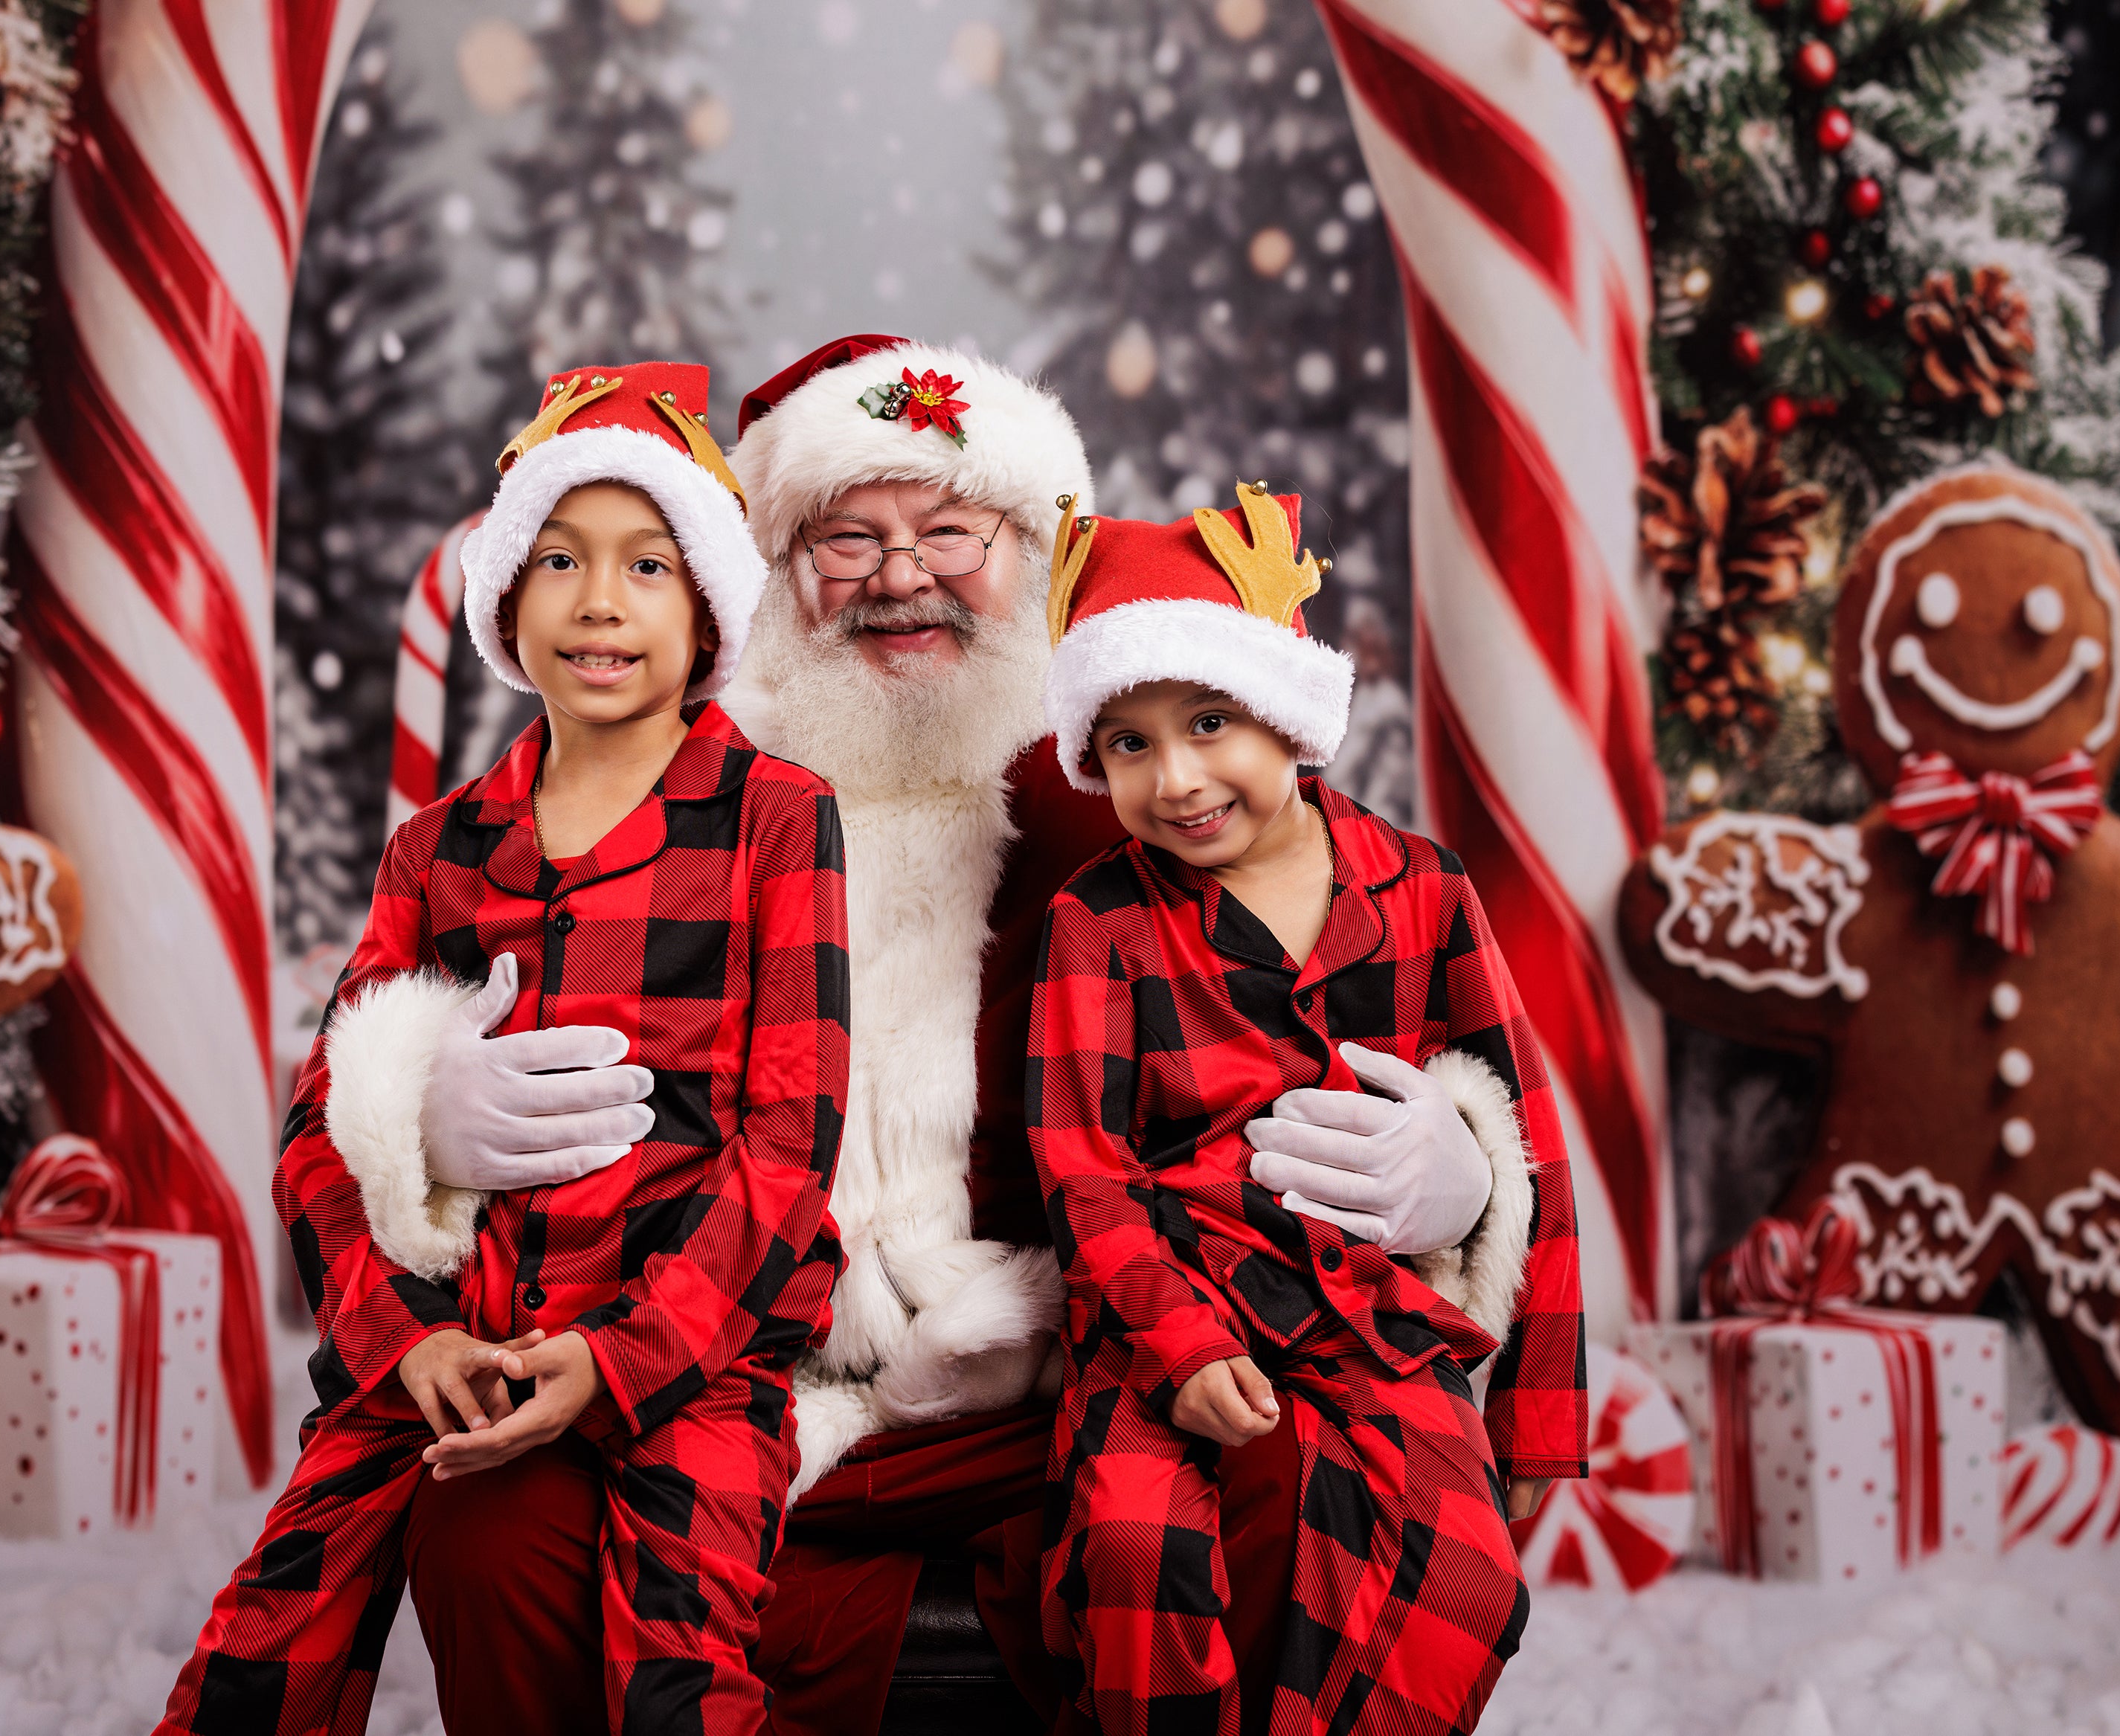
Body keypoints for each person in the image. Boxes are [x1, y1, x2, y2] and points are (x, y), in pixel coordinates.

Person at [388, 336, 1543, 1729]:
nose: (899, 576)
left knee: (1292, 1472)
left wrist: (1466, 1169)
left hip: (1052, 1378)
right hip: (707, 1365)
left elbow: (1349, 989)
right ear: (761, 567)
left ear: (1037, 554)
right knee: (491, 1531)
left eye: (951, 532)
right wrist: (418, 1112)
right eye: (844, 537)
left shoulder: (1122, 804)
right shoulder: (662, 794)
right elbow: (469, 987)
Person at [155, 361, 849, 1736]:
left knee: (676, 1681)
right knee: (263, 1654)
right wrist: (407, 1337)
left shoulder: (776, 817)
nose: (601, 600)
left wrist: (626, 1355)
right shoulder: (440, 851)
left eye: (648, 564)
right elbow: (320, 1138)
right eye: (558, 560)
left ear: (705, 605)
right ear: (505, 602)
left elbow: (790, 1146)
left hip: (684, 1356)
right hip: (461, 1343)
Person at [1027, 486, 1583, 1733]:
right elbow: (1083, 1167)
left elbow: (1530, 1139)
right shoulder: (1098, 921)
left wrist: (1540, 1419)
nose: (1176, 778)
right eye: (1127, 743)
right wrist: (1182, 1343)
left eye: (1209, 720)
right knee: (1131, 1548)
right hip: (1172, 1308)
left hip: (1370, 1314)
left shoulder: (1423, 888)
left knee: (1469, 1582)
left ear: (1285, 705)